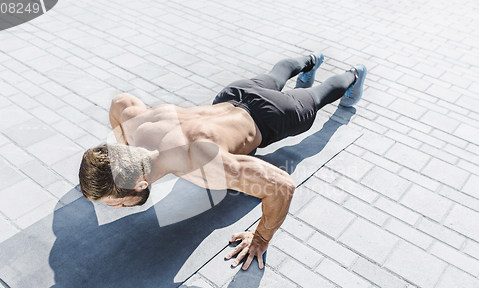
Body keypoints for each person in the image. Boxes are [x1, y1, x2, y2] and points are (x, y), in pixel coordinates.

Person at [79, 53, 367, 270]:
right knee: (276, 75)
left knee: (319, 95)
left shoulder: (205, 166)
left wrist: (261, 238)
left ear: (141, 184)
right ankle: (309, 60)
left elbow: (281, 186)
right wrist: (116, 162)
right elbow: (122, 102)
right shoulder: (139, 128)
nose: (114, 208)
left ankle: (355, 73)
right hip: (233, 94)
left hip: (272, 116)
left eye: (113, 202)